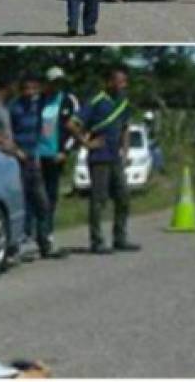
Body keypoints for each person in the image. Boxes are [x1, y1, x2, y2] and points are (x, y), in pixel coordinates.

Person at [73, 66, 140, 254]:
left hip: (115, 156)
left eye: (125, 82)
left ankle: (120, 237)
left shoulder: (123, 103)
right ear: (109, 82)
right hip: (99, 157)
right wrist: (86, 143)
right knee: (98, 199)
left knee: (123, 197)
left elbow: (125, 127)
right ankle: (97, 240)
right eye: (119, 81)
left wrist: (125, 152)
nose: (122, 85)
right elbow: (72, 123)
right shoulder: (96, 101)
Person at [9, 73, 64, 260]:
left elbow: (43, 131)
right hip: (18, 158)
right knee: (25, 202)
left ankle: (44, 241)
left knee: (43, 202)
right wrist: (16, 150)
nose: (30, 93)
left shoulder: (37, 107)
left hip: (34, 158)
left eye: (33, 89)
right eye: (27, 89)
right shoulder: (15, 108)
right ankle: (22, 241)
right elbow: (8, 133)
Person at [36, 66, 80, 248]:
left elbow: (74, 127)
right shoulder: (39, 100)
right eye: (52, 82)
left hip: (56, 155)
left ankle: (48, 232)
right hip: (38, 154)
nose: (55, 86)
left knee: (51, 195)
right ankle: (36, 231)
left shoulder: (68, 100)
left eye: (59, 82)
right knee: (36, 195)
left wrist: (65, 150)